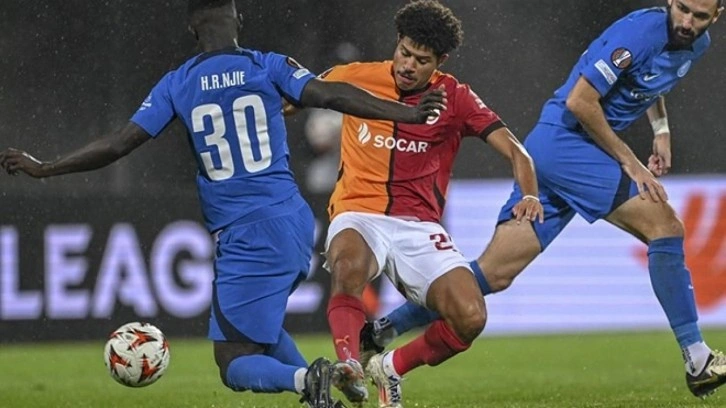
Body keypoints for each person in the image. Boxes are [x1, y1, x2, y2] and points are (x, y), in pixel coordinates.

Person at [0, 1, 446, 407]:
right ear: (238, 21)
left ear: (194, 31)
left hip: (247, 232)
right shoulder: (267, 64)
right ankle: (320, 393)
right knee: (257, 330)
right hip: (292, 221)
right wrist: (407, 113)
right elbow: (331, 94)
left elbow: (119, 144)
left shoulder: (178, 83)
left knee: (232, 362)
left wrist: (47, 167)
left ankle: (308, 380)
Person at [365, 0, 726, 400]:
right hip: (565, 143)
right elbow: (580, 101)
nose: (687, 21)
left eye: (699, 16)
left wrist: (661, 130)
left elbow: (649, 83)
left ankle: (384, 338)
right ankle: (697, 358)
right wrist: (631, 162)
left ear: (717, 15)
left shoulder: (696, 44)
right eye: (683, 9)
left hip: (559, 153)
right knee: (665, 227)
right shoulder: (641, 32)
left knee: (494, 274)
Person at [316, 1, 543, 407]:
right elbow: (291, 97)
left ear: (440, 61)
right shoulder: (353, 78)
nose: (408, 65)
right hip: (357, 212)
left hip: (418, 225)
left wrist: (529, 193)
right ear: (397, 43)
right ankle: (349, 363)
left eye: (421, 60)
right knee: (348, 267)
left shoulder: (455, 97)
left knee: (470, 316)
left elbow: (517, 151)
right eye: (404, 52)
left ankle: (390, 368)